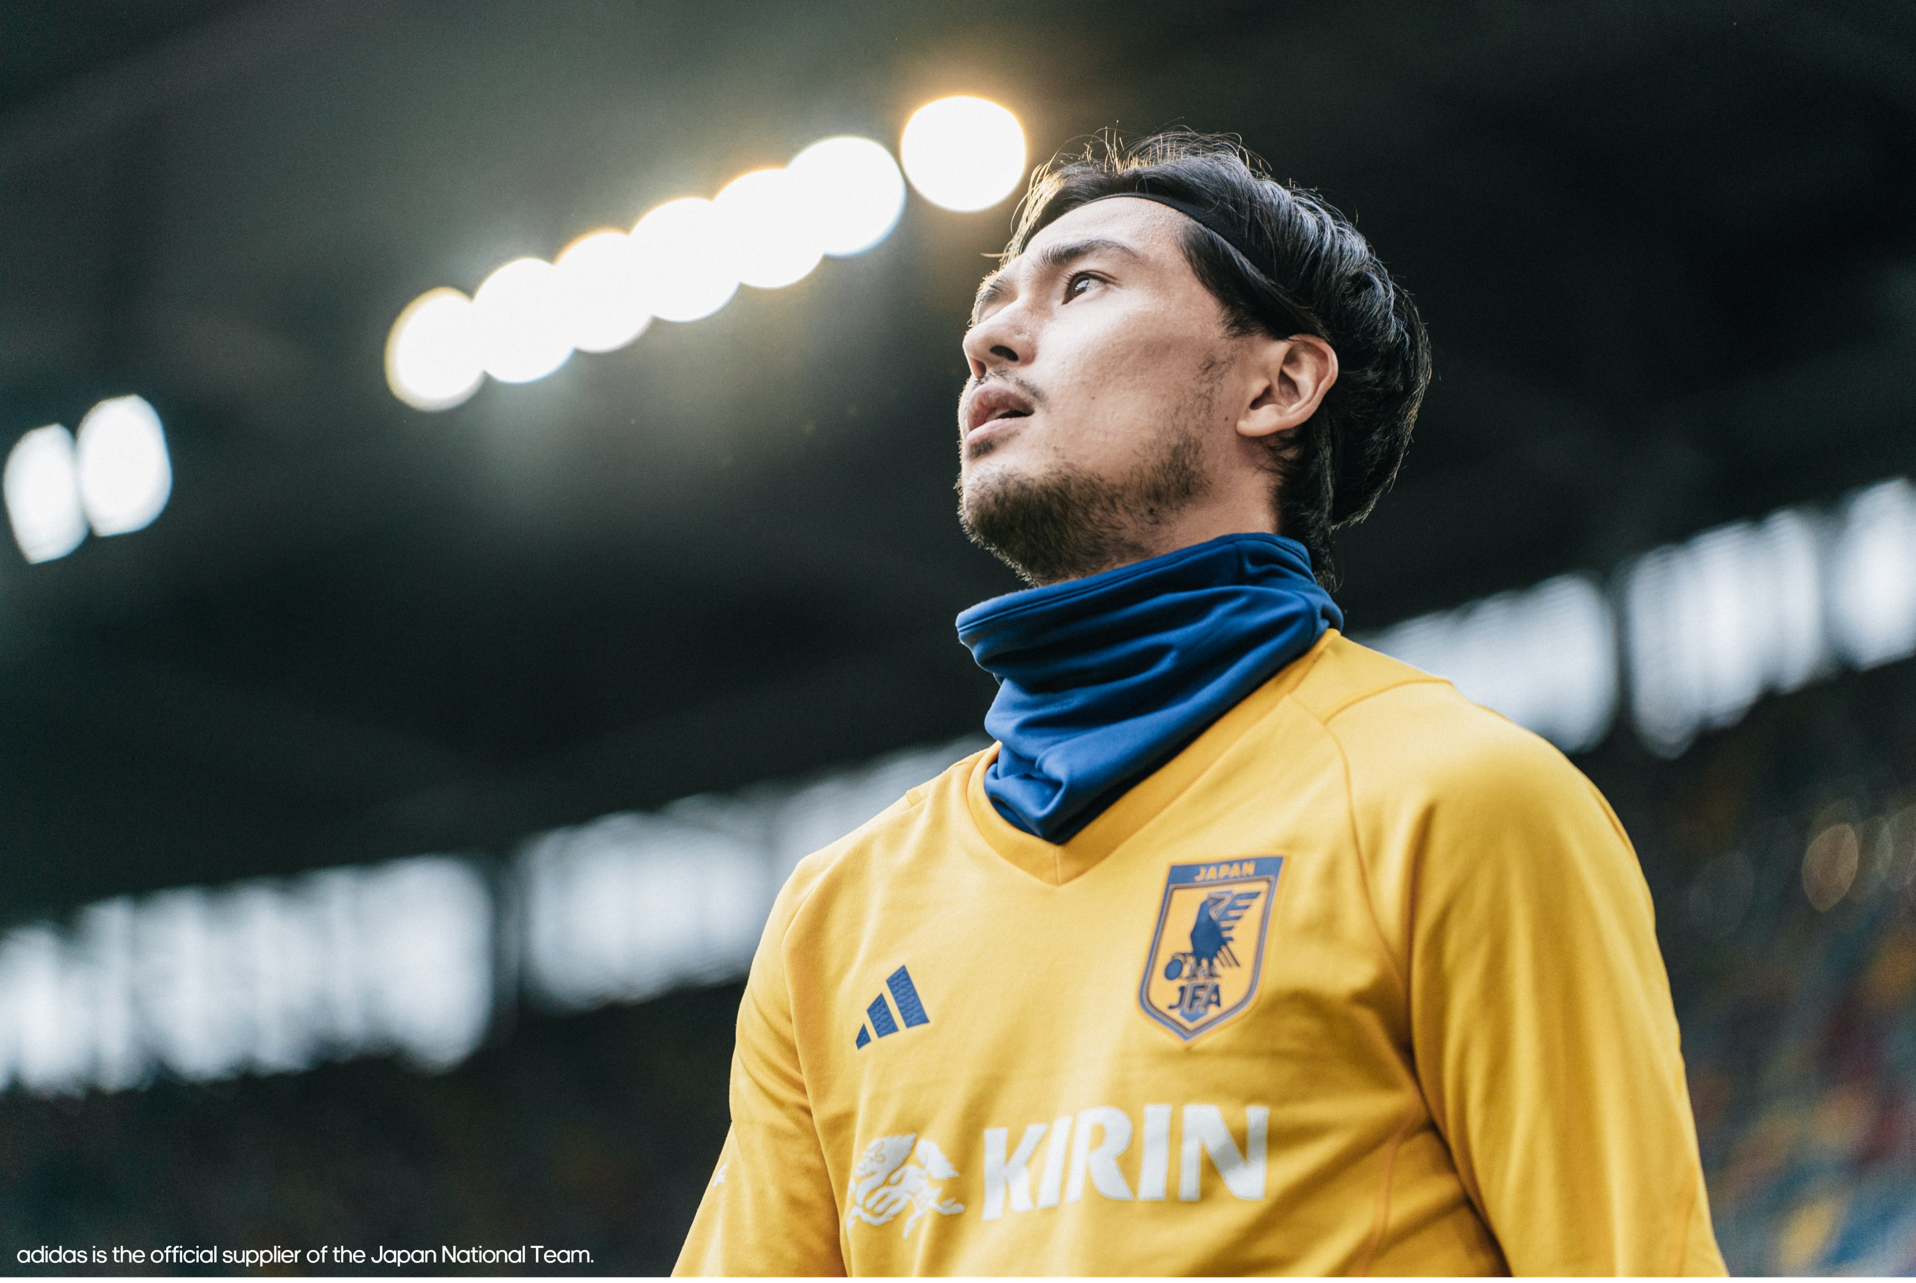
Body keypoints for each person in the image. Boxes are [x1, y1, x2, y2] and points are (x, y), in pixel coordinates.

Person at [674, 131, 1725, 1276]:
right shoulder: (835, 915)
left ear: (1277, 385)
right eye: (989, 307)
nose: (988, 338)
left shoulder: (1452, 801)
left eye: (1082, 284)